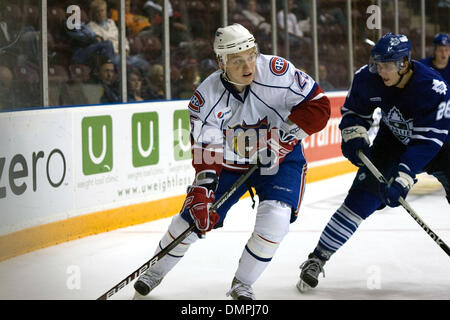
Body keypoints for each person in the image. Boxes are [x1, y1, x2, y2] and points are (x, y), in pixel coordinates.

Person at [133, 23, 331, 300]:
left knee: (276, 219)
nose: (248, 65)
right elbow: (206, 149)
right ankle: (154, 272)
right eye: (237, 60)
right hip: (230, 164)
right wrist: (202, 190)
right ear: (221, 62)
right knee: (190, 221)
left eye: (251, 55)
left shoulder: (278, 71)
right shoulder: (207, 97)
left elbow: (320, 106)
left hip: (279, 161)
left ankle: (242, 284)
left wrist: (285, 138)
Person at [297, 33, 450, 292]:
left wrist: (403, 178)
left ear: (404, 63)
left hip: (441, 147)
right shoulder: (368, 77)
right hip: (391, 143)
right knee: (360, 199)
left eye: (387, 65)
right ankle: (317, 258)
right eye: (377, 64)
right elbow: (355, 113)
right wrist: (354, 135)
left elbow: (426, 142)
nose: (380, 71)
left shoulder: (432, 87)